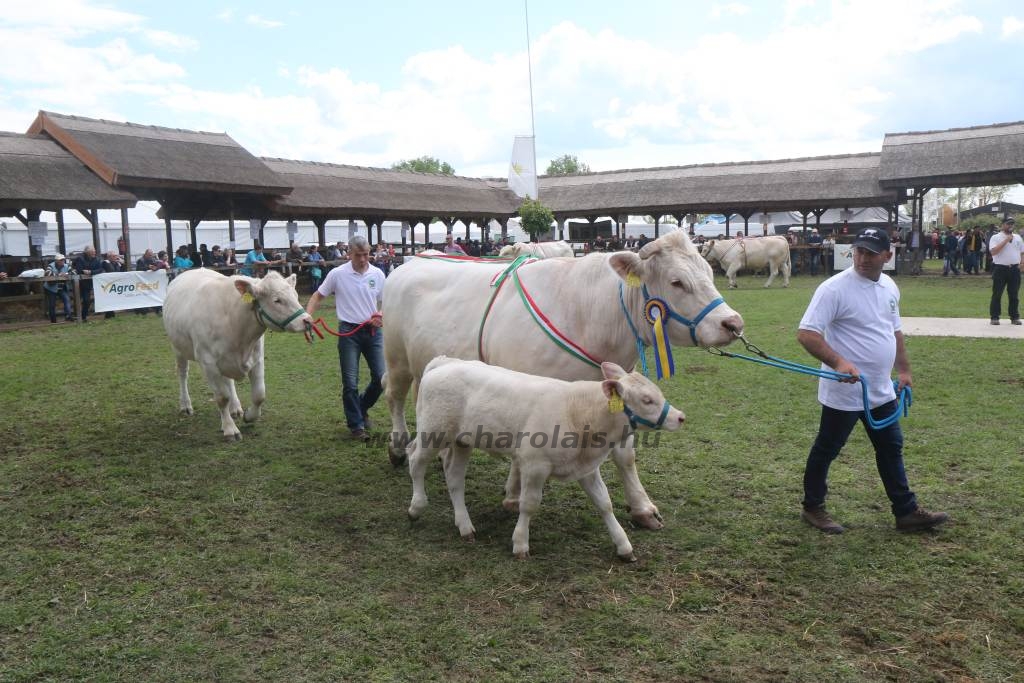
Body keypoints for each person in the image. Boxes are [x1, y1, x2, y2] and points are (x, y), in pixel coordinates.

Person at [797, 227, 949, 534]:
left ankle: (905, 512)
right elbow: (807, 334)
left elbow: (894, 331)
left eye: (870, 253)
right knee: (828, 448)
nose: (863, 258)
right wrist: (839, 362)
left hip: (881, 390)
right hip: (846, 392)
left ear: (887, 256)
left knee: (891, 446)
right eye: (858, 251)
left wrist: (904, 370)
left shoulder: (889, 286)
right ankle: (813, 507)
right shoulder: (833, 289)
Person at [303, 235, 385, 441]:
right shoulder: (337, 274)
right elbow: (317, 296)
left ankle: (361, 407)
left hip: (373, 333)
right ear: (349, 254)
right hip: (349, 333)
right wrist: (308, 316)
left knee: (381, 378)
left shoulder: (378, 273)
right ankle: (356, 425)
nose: (364, 259)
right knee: (350, 382)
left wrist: (381, 315)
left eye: (366, 254)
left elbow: (387, 302)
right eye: (359, 255)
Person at [988, 216, 1023, 325]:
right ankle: (995, 317)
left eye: (1012, 224)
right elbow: (993, 252)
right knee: (997, 294)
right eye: (1008, 223)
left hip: (1014, 269)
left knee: (1014, 294)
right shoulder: (996, 237)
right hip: (1000, 268)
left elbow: (1022, 252)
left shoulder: (1017, 237)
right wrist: (1006, 240)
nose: (1010, 226)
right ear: (1002, 225)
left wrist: (1022, 263)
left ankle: (1014, 317)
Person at [72, 245, 103, 322]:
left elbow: (100, 269)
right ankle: (78, 316)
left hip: (89, 284)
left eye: (94, 251)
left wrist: (90, 272)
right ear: (87, 252)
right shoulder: (80, 258)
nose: (94, 253)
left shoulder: (96, 259)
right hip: (79, 283)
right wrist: (86, 271)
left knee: (87, 301)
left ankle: (83, 316)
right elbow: (79, 269)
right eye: (92, 252)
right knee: (79, 300)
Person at [43, 254, 73, 323]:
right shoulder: (51, 265)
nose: (62, 261)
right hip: (51, 288)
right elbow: (47, 273)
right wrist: (58, 275)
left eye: (63, 260)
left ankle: (68, 316)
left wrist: (67, 274)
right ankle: (53, 321)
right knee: (52, 304)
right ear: (56, 261)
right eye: (60, 260)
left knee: (67, 300)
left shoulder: (67, 266)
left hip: (61, 288)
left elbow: (74, 272)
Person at [101, 251, 124, 318]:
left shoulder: (117, 263)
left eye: (116, 256)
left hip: (115, 284)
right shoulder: (105, 262)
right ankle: (109, 314)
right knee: (108, 299)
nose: (116, 257)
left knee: (113, 299)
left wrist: (122, 264)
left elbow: (122, 272)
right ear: (109, 257)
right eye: (114, 256)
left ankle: (111, 313)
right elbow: (111, 270)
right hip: (107, 284)